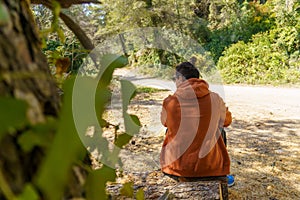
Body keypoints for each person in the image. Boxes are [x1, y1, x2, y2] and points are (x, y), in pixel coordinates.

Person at [160, 61, 234, 186]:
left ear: (180, 79)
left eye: (175, 79)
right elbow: (227, 121)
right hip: (211, 168)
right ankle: (221, 173)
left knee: (169, 130)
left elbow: (164, 123)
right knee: (220, 130)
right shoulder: (215, 99)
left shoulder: (170, 102)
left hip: (176, 168)